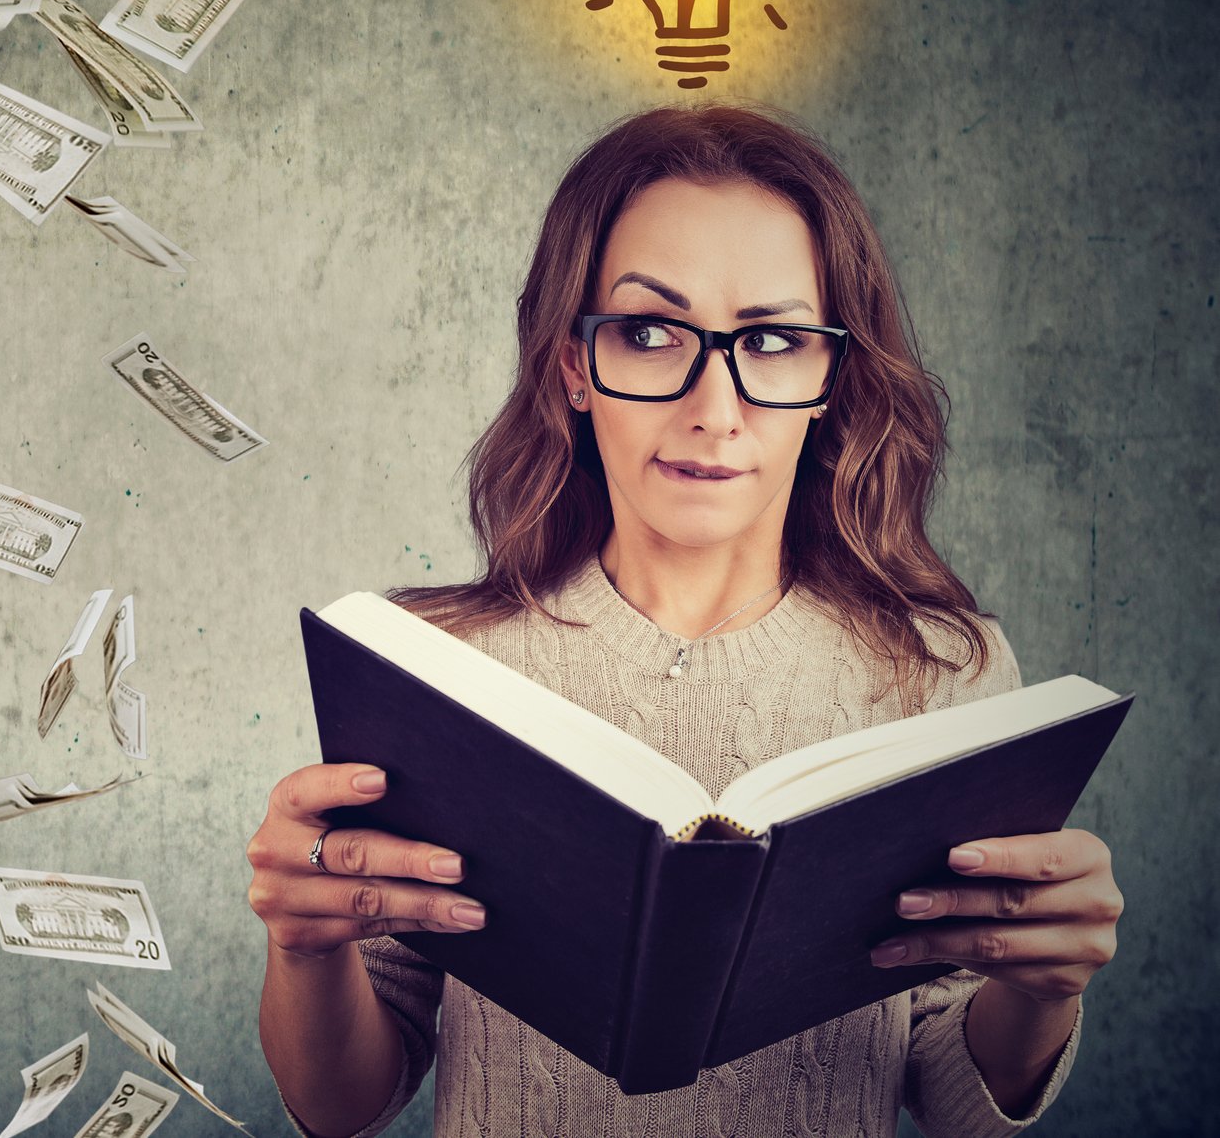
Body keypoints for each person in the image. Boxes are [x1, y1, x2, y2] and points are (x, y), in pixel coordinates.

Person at [247, 104, 1121, 1138]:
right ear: (571, 365)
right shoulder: (440, 669)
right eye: (650, 333)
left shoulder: (942, 674)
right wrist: (306, 949)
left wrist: (1040, 989)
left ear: (828, 374)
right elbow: (337, 1103)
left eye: (773, 339)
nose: (714, 408)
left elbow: (952, 1102)